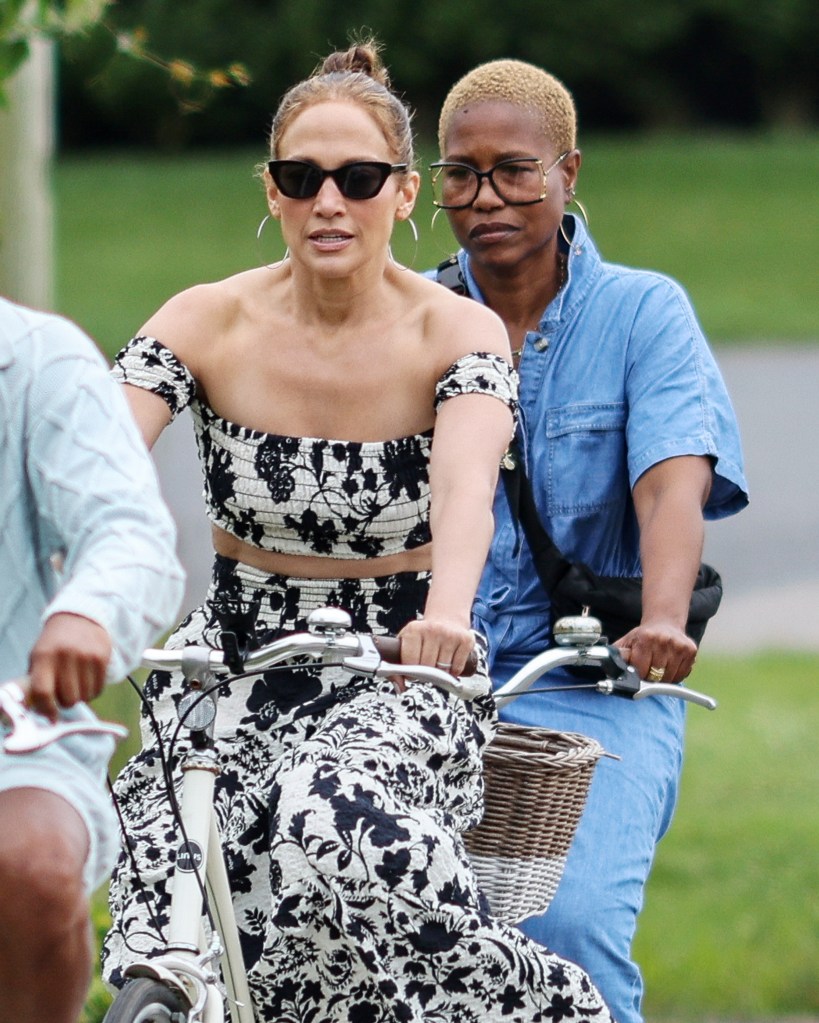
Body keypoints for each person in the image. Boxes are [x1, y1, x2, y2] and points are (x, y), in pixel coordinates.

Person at [102, 40, 615, 1023]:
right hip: (232, 659)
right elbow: (95, 462)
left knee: (329, 814)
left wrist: (449, 617)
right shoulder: (203, 322)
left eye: (358, 177)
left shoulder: (455, 331)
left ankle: (541, 1009)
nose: (328, 201)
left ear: (404, 192)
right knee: (164, 886)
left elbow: (468, 491)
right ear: (272, 189)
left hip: (399, 663)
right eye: (302, 177)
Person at [430, 59, 748, 1023]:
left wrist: (660, 618)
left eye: (514, 170)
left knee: (561, 926)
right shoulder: (411, 316)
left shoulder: (643, 312)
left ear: (569, 171)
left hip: (589, 677)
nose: (486, 198)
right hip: (429, 676)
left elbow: (670, 480)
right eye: (460, 173)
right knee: (388, 934)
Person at [0, 296, 185, 1023]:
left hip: (13, 737)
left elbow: (128, 529)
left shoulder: (39, 358)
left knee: (34, 867)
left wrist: (87, 612)